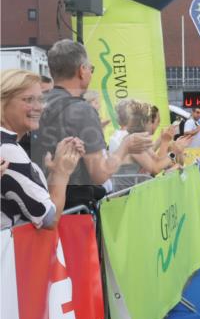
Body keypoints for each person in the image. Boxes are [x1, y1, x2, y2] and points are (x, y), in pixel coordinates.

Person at [31, 40, 152, 209]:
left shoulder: (35, 105)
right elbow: (99, 174)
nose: (90, 72)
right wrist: (126, 147)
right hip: (73, 211)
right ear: (81, 70)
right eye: (90, 68)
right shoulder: (82, 110)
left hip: (37, 209)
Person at [1, 69, 82, 229]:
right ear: (4, 102)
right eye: (29, 100)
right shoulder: (8, 148)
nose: (39, 107)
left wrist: (55, 170)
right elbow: (48, 218)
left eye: (40, 99)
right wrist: (61, 173)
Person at [112, 101, 193, 192]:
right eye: (156, 121)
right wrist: (171, 149)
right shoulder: (133, 140)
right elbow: (156, 168)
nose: (157, 125)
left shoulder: (137, 138)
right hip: (127, 197)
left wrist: (166, 142)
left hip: (136, 193)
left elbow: (158, 161)